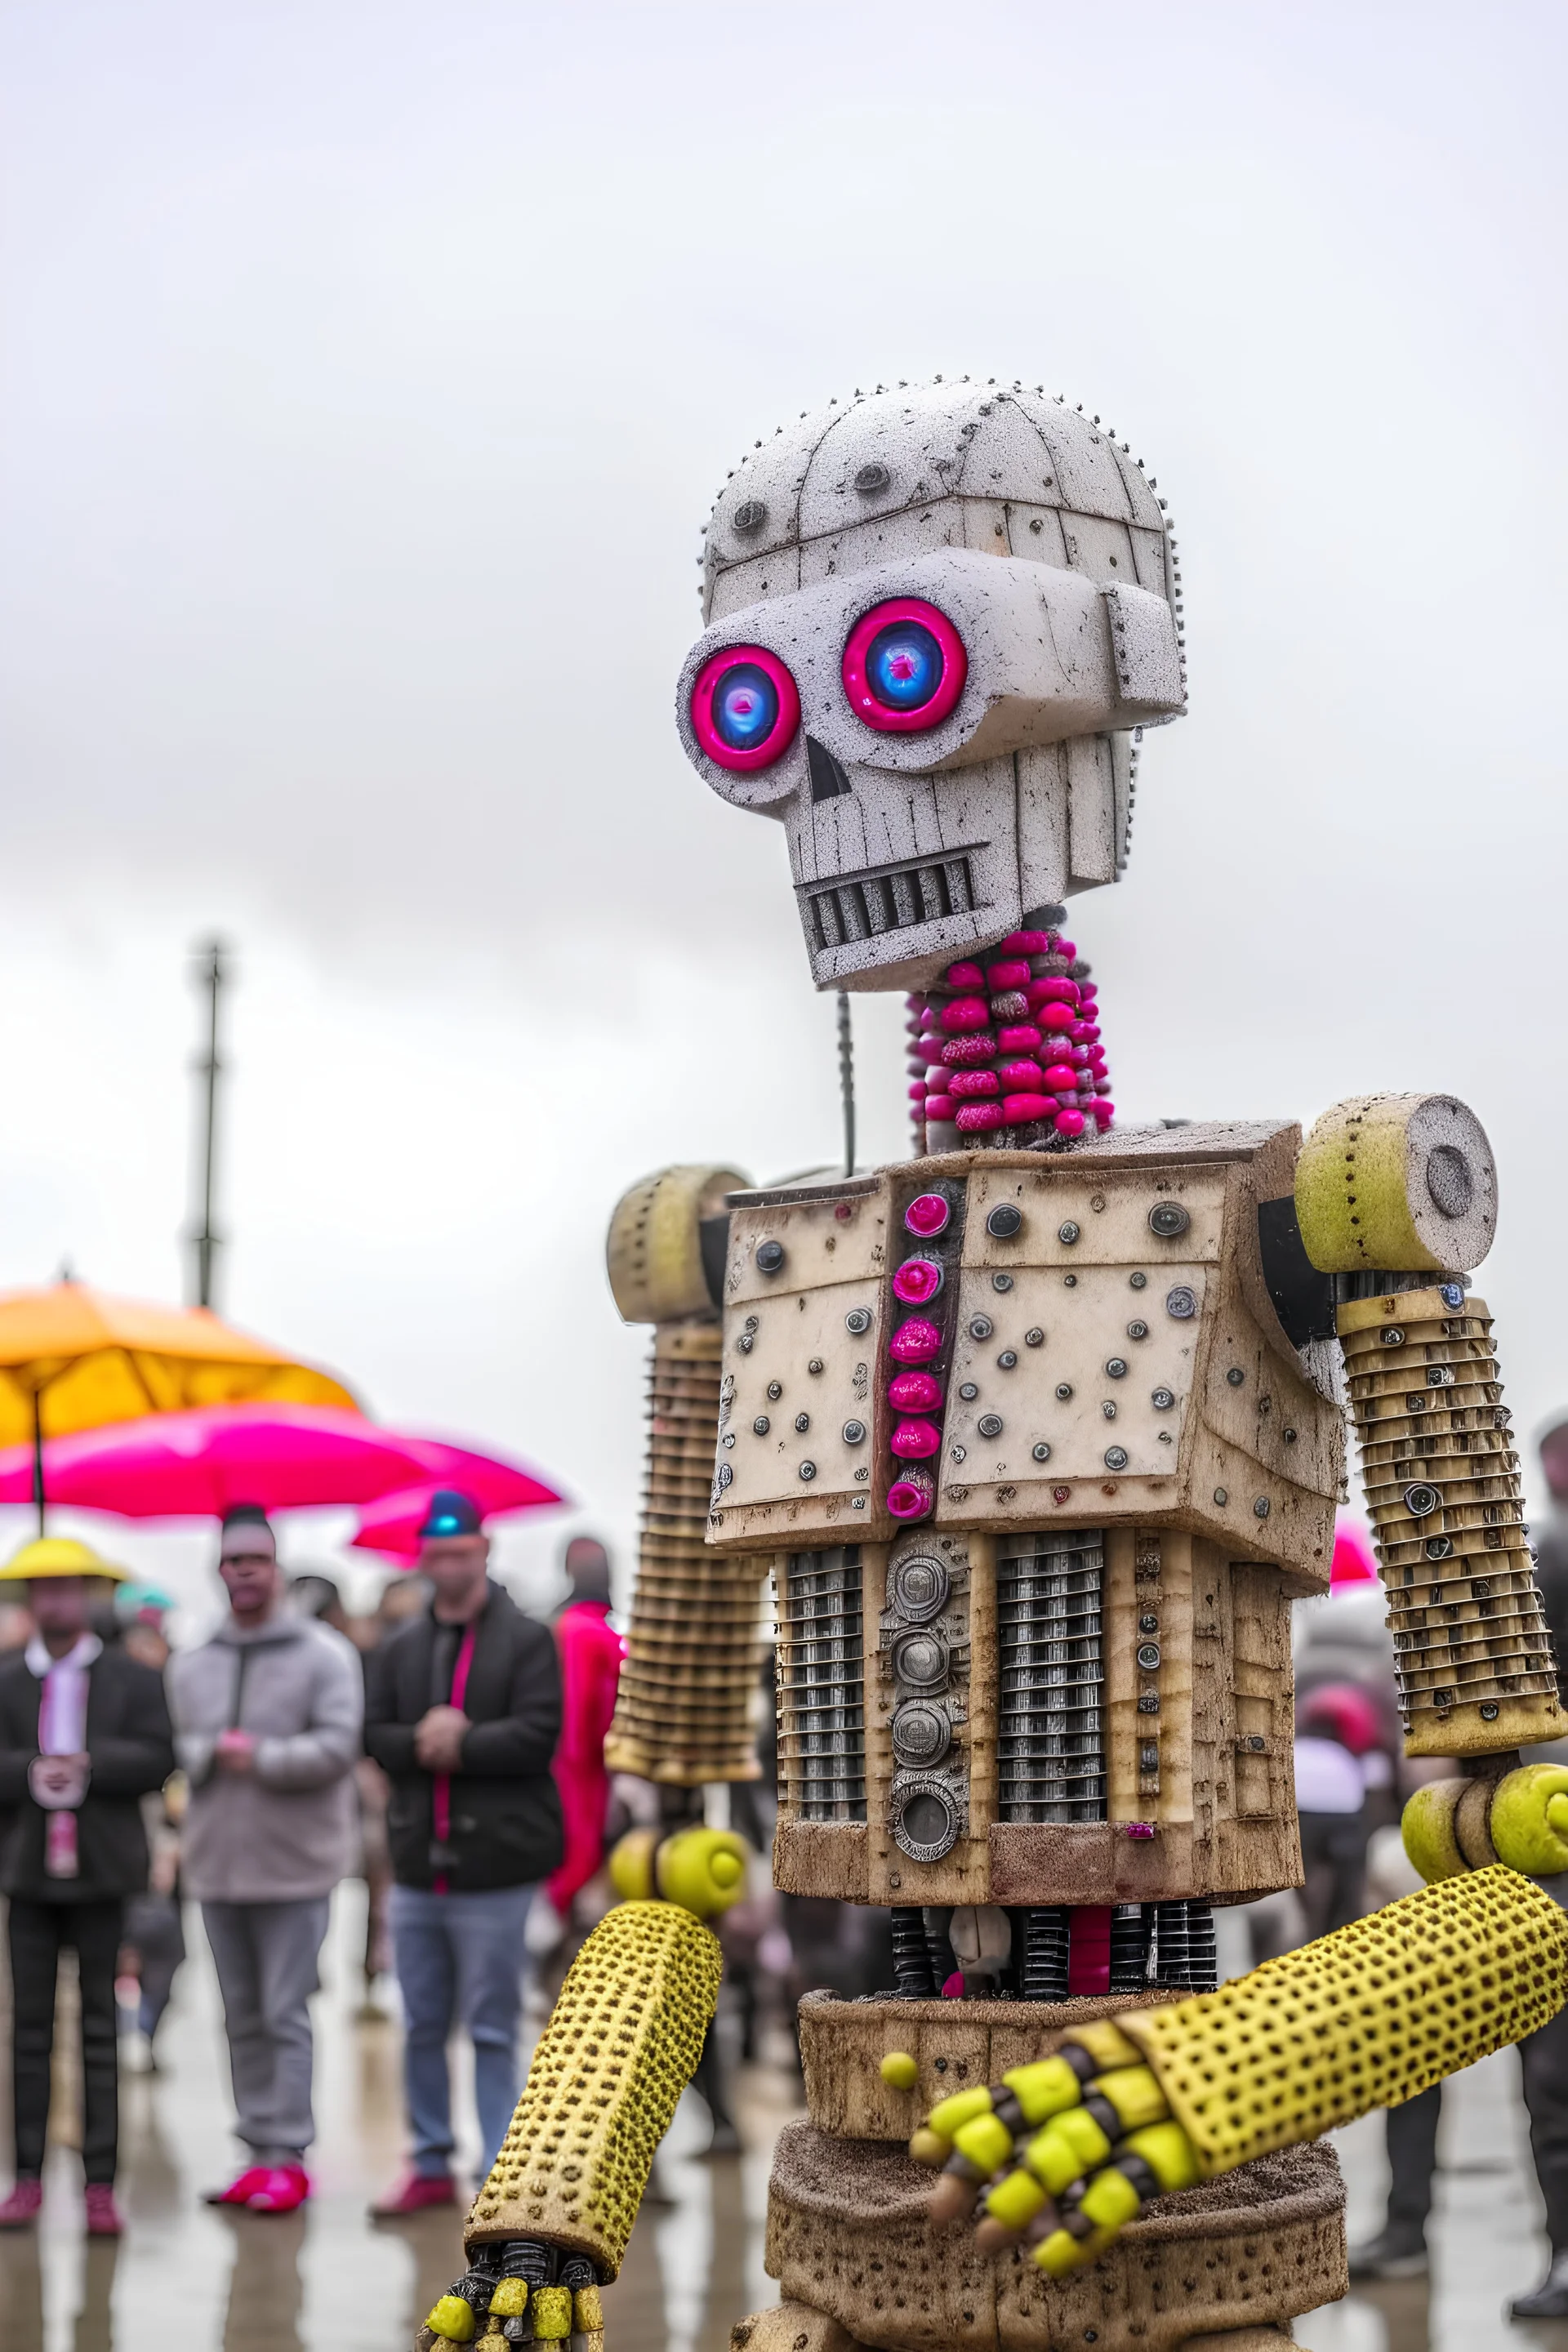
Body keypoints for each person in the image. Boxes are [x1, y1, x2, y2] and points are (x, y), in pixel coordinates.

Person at [363, 1490, 562, 2215]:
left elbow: (540, 1735)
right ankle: (428, 2160)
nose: (448, 1564)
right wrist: (423, 1739)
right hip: (418, 1867)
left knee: (489, 2025)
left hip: (497, 1870)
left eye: (461, 1551)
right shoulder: (400, 1647)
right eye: (436, 1553)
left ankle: (499, 2170)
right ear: (422, 1558)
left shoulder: (528, 1639)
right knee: (419, 2022)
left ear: (484, 1550)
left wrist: (465, 1740)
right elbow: (374, 1734)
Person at [166, 1503, 363, 2216]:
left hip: (296, 1867)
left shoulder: (323, 1656)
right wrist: (209, 1752)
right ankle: (255, 2147)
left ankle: (290, 2152)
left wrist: (265, 1755)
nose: (243, 1572)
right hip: (217, 1866)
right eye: (231, 1561)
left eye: (255, 1560)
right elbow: (177, 1743)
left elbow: (340, 1745)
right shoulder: (194, 1660)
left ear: (276, 1567)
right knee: (239, 2014)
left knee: (285, 2011)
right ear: (218, 1570)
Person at [0, 1535, 175, 2235]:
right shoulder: (9, 1676)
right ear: (30, 1599)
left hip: (103, 1873)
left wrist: (91, 1767)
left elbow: (160, 1756)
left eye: (71, 1589)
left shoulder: (131, 1676)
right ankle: (27, 2177)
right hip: (29, 1876)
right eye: (46, 1590)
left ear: (91, 1596)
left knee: (102, 2031)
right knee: (30, 2033)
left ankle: (101, 2183)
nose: (58, 1602)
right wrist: (29, 1773)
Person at [543, 1536, 623, 1926]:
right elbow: (578, 1727)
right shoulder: (583, 1631)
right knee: (579, 1866)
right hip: (583, 1772)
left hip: (586, 1770)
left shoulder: (576, 1627)